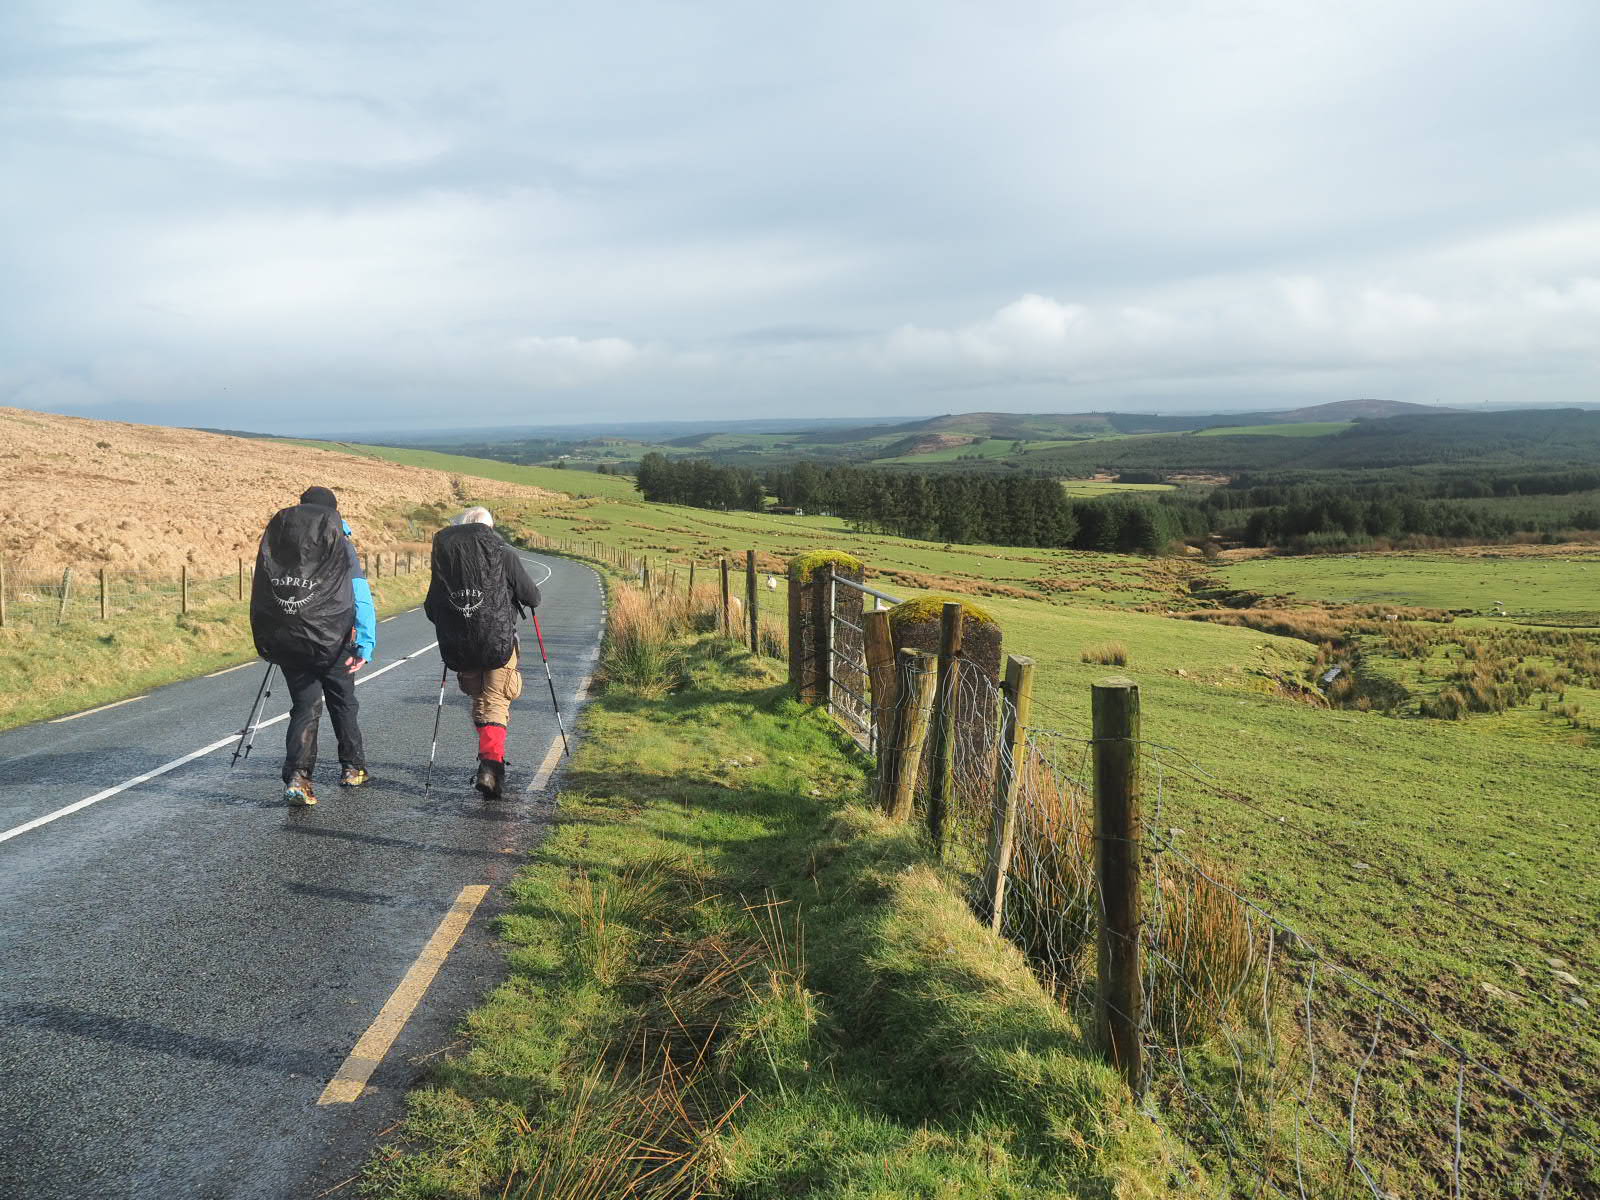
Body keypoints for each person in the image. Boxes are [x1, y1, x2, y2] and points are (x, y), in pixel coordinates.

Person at [249, 485, 376, 806]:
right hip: (335, 640)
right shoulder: (339, 542)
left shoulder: (282, 540)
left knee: (305, 706)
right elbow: (360, 595)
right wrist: (365, 642)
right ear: (333, 511)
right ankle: (353, 768)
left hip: (291, 637)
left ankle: (299, 778)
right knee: (343, 702)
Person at [423, 507, 541, 798]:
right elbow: (532, 596)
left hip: (461, 644)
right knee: (496, 701)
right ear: (489, 528)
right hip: (499, 641)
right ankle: (490, 766)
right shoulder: (503, 553)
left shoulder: (449, 560)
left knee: (481, 700)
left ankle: (490, 764)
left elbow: (431, 607)